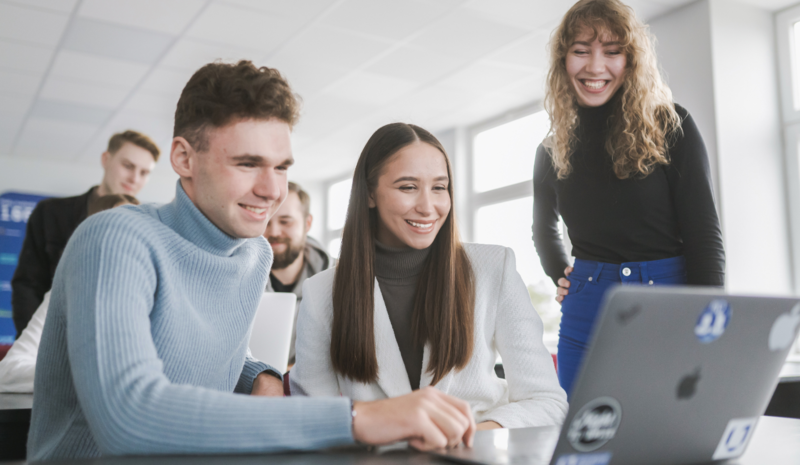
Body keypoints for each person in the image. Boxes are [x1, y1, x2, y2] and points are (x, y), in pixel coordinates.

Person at [28, 61, 475, 461]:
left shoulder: (252, 253)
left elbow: (206, 348)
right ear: (184, 158)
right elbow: (127, 416)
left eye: (281, 167)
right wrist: (355, 418)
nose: (271, 190)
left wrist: (259, 375)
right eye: (247, 163)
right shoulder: (115, 239)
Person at [291, 123, 568, 431]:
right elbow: (313, 420)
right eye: (407, 187)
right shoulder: (321, 292)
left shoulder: (493, 268)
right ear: (370, 194)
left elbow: (547, 402)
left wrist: (470, 436)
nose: (427, 207)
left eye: (439, 187)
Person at [532, 0, 725, 397]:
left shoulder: (671, 124)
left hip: (669, 298)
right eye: (581, 51)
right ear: (563, 60)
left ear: (631, 60)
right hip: (586, 305)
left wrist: (711, 324)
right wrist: (561, 274)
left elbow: (704, 236)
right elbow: (542, 228)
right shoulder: (552, 149)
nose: (595, 67)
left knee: (664, 435)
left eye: (613, 52)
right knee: (586, 439)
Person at [11, 130, 159, 337]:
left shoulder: (151, 229)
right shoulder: (51, 213)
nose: (134, 178)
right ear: (106, 159)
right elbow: (27, 285)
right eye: (128, 166)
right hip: (49, 338)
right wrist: (42, 345)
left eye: (144, 172)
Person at [0, 194, 139, 394]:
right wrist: (84, 377)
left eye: (132, 229)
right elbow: (7, 373)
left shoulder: (157, 297)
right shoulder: (63, 297)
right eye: (113, 227)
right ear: (87, 237)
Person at [263, 182, 333, 367]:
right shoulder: (235, 281)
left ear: (307, 223)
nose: (274, 232)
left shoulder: (339, 280)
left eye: (286, 221)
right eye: (265, 222)